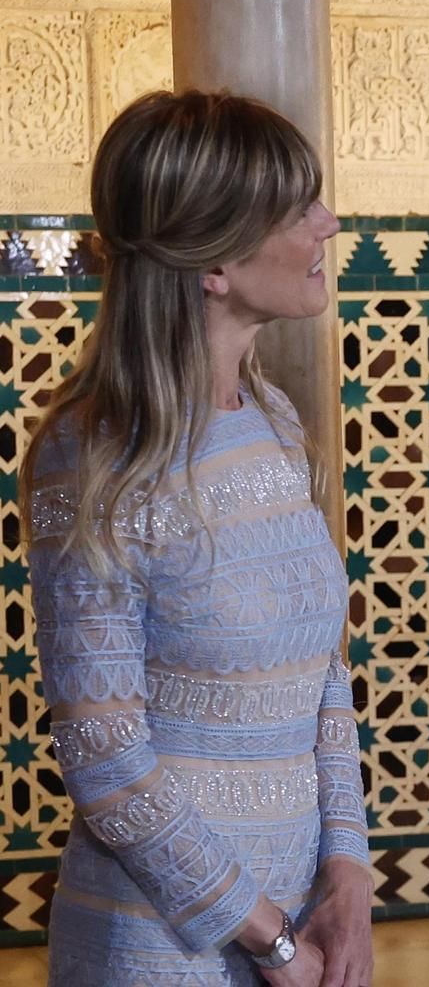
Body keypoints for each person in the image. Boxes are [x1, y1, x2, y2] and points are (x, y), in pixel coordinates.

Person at [24, 90, 373, 987]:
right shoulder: (93, 455)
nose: (328, 224)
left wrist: (347, 874)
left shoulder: (273, 417)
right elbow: (106, 759)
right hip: (159, 947)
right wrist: (268, 938)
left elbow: (322, 674)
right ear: (214, 262)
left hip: (299, 921)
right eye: (297, 209)